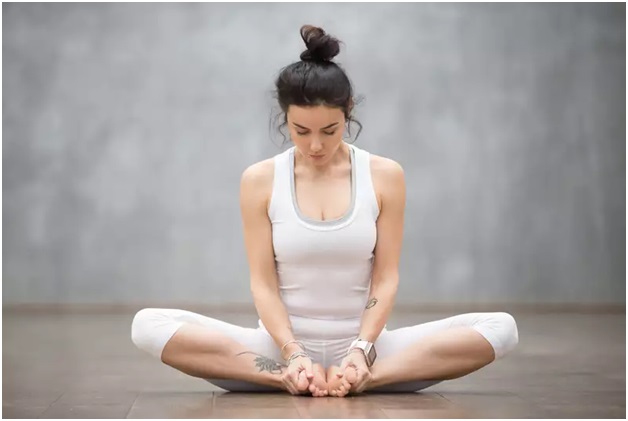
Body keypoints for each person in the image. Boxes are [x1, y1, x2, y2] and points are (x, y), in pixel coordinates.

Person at [131, 25, 519, 398]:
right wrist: (293, 354)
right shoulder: (259, 180)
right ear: (284, 117)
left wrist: (361, 350)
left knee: (502, 328)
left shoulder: (385, 176)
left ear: (347, 112)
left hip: (367, 351)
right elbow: (262, 284)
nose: (315, 145)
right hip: (277, 351)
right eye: (301, 131)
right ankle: (287, 377)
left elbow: (385, 279)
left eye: (329, 131)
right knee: (146, 325)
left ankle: (367, 378)